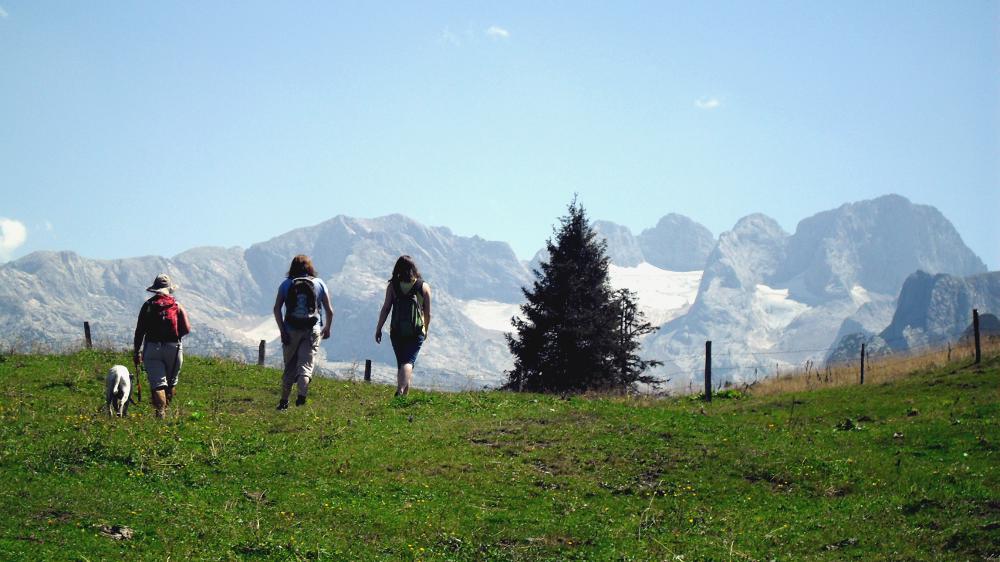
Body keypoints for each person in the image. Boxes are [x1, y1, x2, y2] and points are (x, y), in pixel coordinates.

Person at [273, 255, 334, 410]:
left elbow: (277, 309)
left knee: (290, 367)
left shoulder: (286, 284)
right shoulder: (319, 283)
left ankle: (284, 402)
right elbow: (329, 310)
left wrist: (282, 330)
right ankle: (301, 398)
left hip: (291, 329)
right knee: (305, 367)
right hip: (312, 328)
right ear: (309, 267)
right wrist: (327, 328)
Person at [133, 274, 191, 418]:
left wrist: (136, 351)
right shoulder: (176, 305)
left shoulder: (147, 306)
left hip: (152, 348)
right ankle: (167, 413)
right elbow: (187, 329)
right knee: (171, 383)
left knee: (158, 384)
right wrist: (175, 338)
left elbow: (140, 331)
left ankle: (160, 414)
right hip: (174, 348)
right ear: (169, 289)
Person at [375, 255, 432, 396]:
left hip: (397, 330)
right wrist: (425, 329)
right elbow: (428, 312)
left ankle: (403, 397)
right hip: (416, 331)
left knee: (402, 363)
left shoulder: (393, 286)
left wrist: (379, 328)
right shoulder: (423, 286)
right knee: (408, 362)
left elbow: (386, 308)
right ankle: (401, 390)